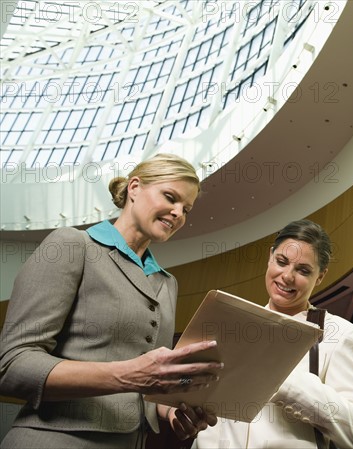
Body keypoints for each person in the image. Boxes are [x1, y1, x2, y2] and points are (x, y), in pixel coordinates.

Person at [0, 153, 223, 449]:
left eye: (187, 209)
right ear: (134, 188)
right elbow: (13, 364)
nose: (178, 213)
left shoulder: (168, 283)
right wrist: (129, 375)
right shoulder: (72, 246)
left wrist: (170, 411)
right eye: (170, 197)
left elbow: (150, 384)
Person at [195, 219, 353, 448]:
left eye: (303, 270)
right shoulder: (232, 327)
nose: (287, 276)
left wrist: (282, 379)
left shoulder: (340, 335)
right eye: (281, 261)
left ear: (320, 277)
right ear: (270, 257)